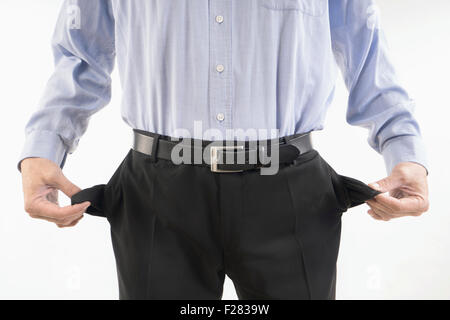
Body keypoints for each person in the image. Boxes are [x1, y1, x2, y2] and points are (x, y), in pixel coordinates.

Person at [19, 0, 429, 300]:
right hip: (157, 198)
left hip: (291, 195)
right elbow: (82, 54)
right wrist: (44, 148)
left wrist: (403, 148)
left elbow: (365, 48)